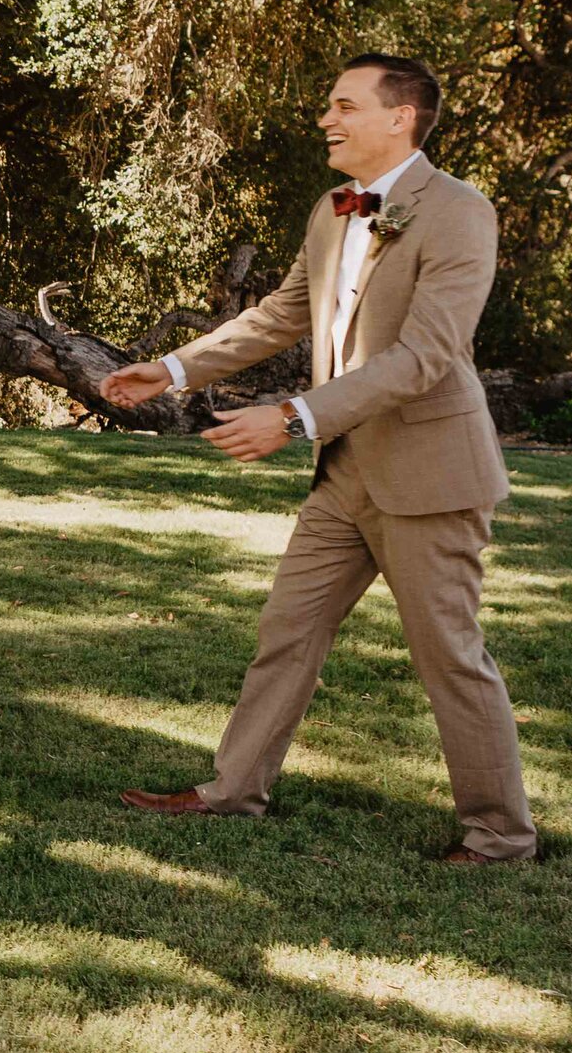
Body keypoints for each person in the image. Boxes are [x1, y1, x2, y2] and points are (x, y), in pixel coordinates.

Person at [100, 55, 537, 864]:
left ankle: (501, 835)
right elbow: (282, 314)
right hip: (345, 477)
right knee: (286, 630)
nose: (326, 120)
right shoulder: (332, 209)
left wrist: (293, 417)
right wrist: (173, 368)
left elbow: (422, 359)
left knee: (450, 656)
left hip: (431, 473)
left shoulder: (459, 212)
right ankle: (233, 791)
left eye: (343, 105)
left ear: (401, 117)